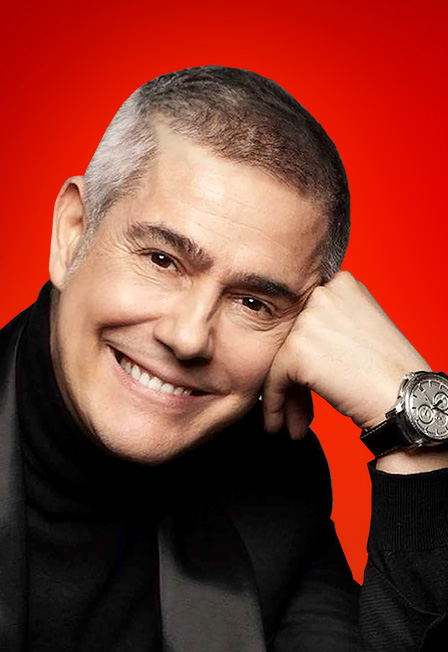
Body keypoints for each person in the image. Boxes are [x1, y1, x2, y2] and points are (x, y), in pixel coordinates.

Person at [0, 65, 447, 652]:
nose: (189, 338)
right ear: (72, 233)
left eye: (253, 302)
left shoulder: (275, 485)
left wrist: (415, 428)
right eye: (162, 260)